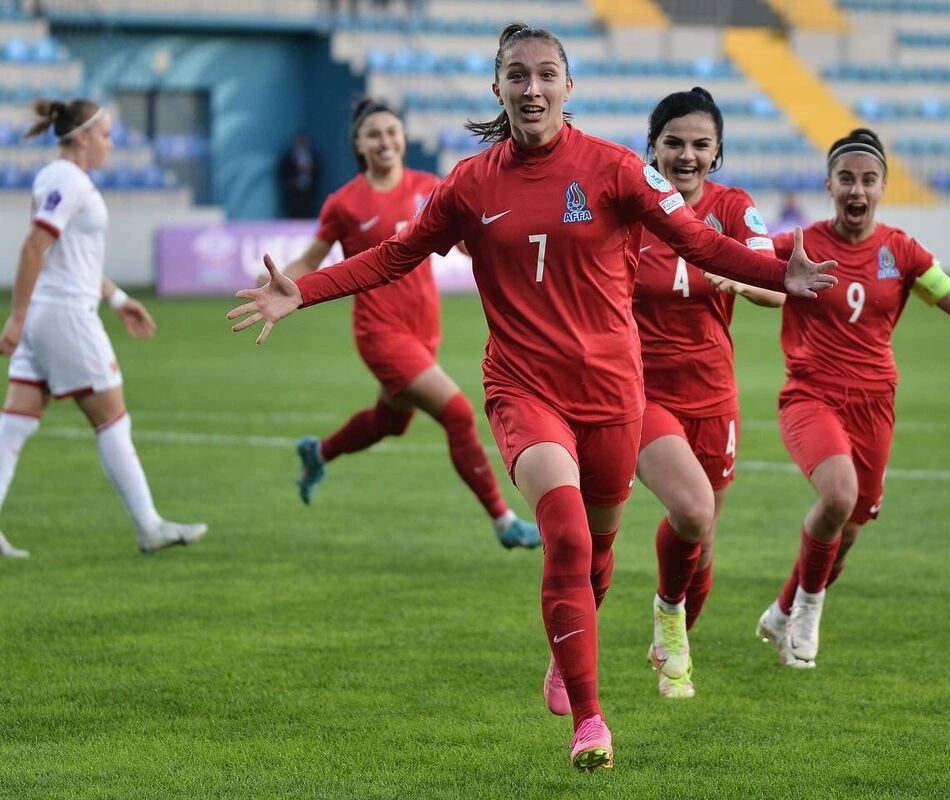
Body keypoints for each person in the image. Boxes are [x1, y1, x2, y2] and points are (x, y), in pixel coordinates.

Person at [228, 23, 836, 771]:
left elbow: (699, 243)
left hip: (613, 392)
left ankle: (567, 646)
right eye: (517, 75)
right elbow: (394, 257)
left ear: (568, 86)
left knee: (600, 551)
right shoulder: (470, 183)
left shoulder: (616, 169)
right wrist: (304, 290)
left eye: (547, 74)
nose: (533, 87)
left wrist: (784, 277)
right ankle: (590, 718)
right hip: (523, 387)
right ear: (498, 88)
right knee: (568, 537)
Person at [755, 128, 950, 669]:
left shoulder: (902, 253)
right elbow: (750, 271)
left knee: (849, 531)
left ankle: (782, 610)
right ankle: (809, 610)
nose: (857, 191)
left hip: (875, 406)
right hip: (811, 397)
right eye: (846, 180)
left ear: (883, 186)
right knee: (836, 496)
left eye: (868, 180)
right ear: (829, 185)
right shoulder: (802, 245)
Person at [280, 98, 539, 550]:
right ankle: (504, 522)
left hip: (424, 327)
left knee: (389, 423)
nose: (385, 141)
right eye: (374, 134)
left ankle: (317, 452)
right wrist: (283, 282)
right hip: (380, 333)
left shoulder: (428, 187)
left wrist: (513, 254)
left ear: (403, 138)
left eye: (391, 132)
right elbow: (311, 258)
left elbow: (465, 244)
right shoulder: (344, 203)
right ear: (359, 144)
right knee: (458, 415)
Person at [0, 98, 207, 558]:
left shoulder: (62, 180)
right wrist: (14, 316)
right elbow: (34, 248)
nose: (110, 145)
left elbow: (68, 258)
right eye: (107, 135)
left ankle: (150, 525)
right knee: (112, 419)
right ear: (82, 137)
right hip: (65, 317)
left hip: (50, 313)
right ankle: (149, 527)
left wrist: (116, 298)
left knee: (14, 425)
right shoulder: (67, 179)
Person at [633, 87, 786, 700]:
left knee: (701, 548)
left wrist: (742, 281)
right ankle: (658, 616)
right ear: (654, 147)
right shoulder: (630, 201)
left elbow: (776, 287)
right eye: (674, 142)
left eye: (700, 144)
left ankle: (672, 636)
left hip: (713, 395)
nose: (687, 155)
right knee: (690, 511)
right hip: (639, 391)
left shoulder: (732, 207)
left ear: (717, 151)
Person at [279, 132, 320, 219]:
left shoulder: (313, 156)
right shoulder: (288, 157)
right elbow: (283, 173)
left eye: (302, 140)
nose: (301, 142)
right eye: (298, 140)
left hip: (309, 194)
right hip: (293, 194)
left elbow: (318, 171)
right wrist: (292, 182)